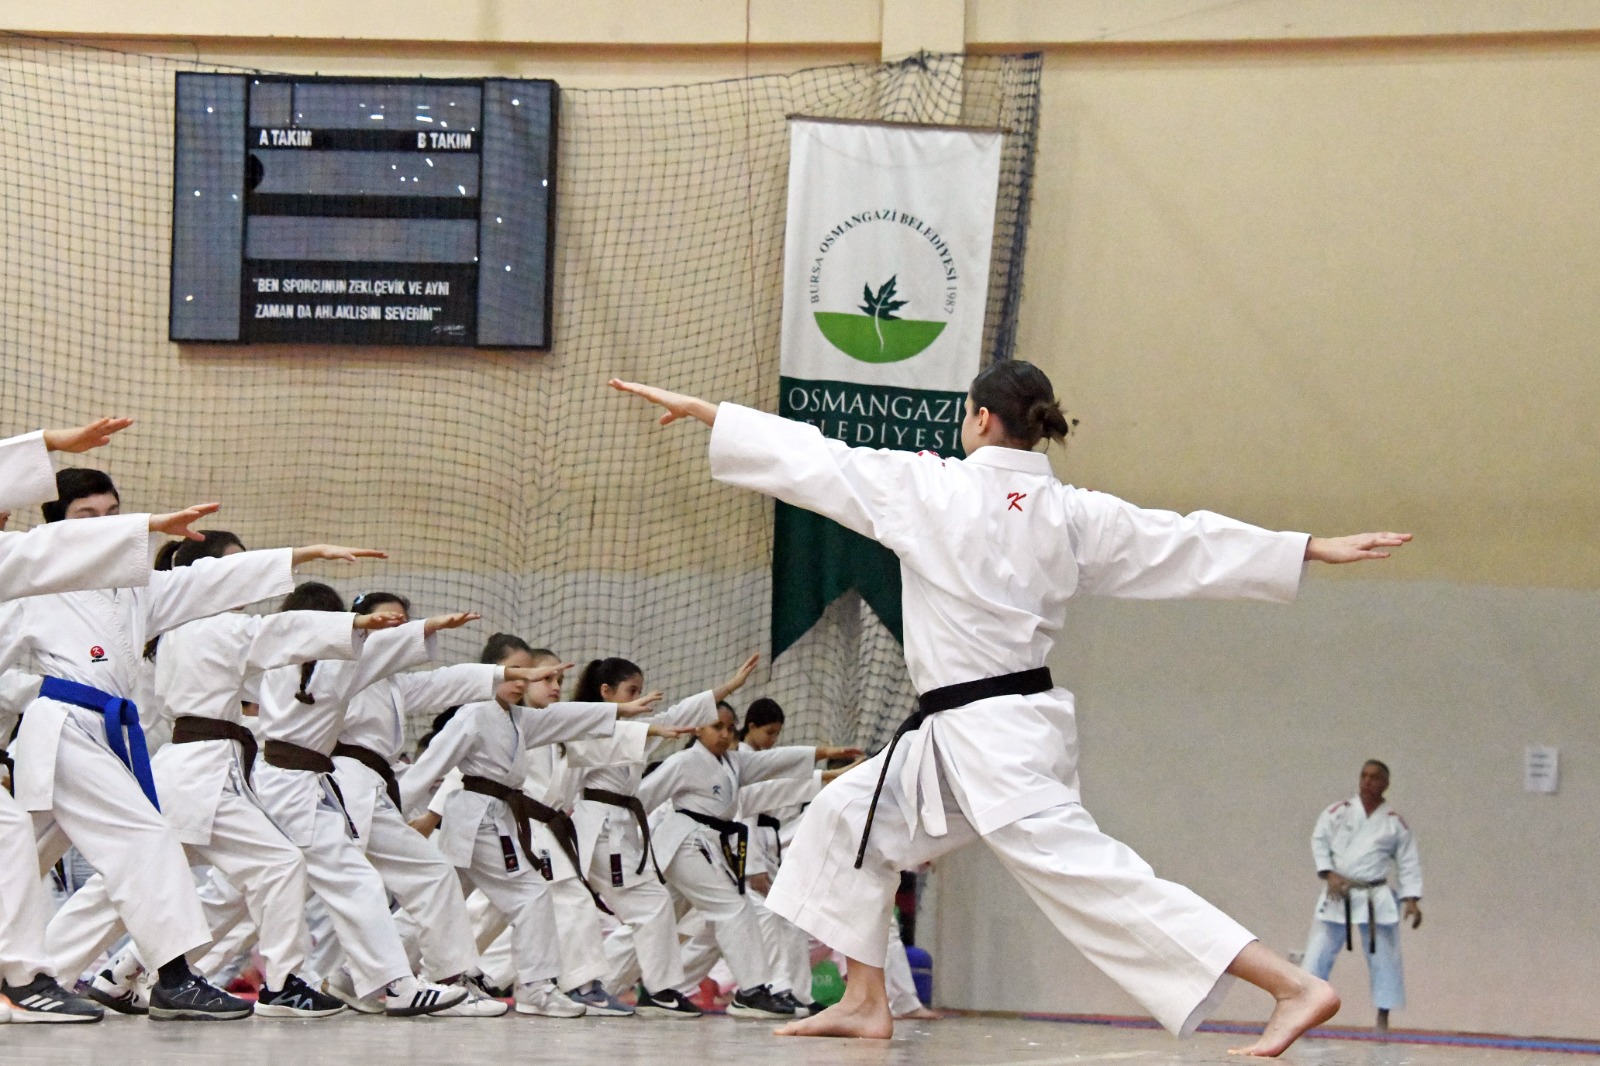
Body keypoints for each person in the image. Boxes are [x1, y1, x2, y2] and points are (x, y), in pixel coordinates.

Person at [610, 362, 1411, 1055]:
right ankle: (864, 998)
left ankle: (1291, 985)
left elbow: (819, 460)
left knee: (1093, 879)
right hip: (981, 729)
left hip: (991, 738)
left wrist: (709, 412)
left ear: (982, 418)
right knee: (847, 817)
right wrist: (1303, 547)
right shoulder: (1074, 512)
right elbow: (1183, 541)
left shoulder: (931, 489)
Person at [0, 465, 388, 1022]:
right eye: (87, 516)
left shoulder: (135, 590)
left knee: (24, 854)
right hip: (63, 725)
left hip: (100, 732)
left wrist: (302, 554)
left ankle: (49, 976)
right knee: (145, 842)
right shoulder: (32, 581)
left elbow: (212, 581)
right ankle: (173, 978)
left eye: (113, 514)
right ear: (56, 527)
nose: (104, 526)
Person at [400, 634, 677, 1017]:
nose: (525, 679)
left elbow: (567, 719)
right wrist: (400, 814)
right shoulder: (474, 714)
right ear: (491, 672)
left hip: (497, 821)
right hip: (479, 820)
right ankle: (536, 987)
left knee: (441, 900)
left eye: (531, 673)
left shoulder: (519, 720)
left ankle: (369, 974)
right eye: (518, 672)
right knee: (530, 897)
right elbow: (437, 768)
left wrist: (621, 712)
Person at [563, 652, 759, 1018]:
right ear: (606, 692)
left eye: (640, 690)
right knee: (648, 904)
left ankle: (638, 988)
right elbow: (619, 740)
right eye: (631, 690)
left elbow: (678, 715)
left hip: (617, 828)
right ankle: (654, 990)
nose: (639, 697)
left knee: (643, 906)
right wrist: (652, 729)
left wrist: (729, 687)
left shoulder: (634, 730)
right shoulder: (587, 727)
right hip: (599, 828)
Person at [637, 701, 860, 1018]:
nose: (725, 734)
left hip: (708, 848)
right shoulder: (684, 761)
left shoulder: (732, 763)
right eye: (717, 727)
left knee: (657, 915)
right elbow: (643, 797)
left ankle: (620, 984)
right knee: (734, 909)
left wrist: (824, 758)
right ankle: (752, 991)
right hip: (684, 842)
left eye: (730, 728)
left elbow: (774, 764)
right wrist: (621, 841)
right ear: (697, 728)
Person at [1300, 759, 1422, 1031]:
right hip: (1339, 892)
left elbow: (1408, 861)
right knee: (1317, 953)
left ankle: (1383, 1017)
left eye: (1375, 777)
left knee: (1385, 958)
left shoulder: (1394, 822)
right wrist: (1328, 873)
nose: (1367, 781)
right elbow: (1319, 839)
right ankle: (1305, 1012)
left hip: (1374, 894)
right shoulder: (1338, 812)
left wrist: (1411, 899)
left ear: (1386, 784)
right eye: (1364, 775)